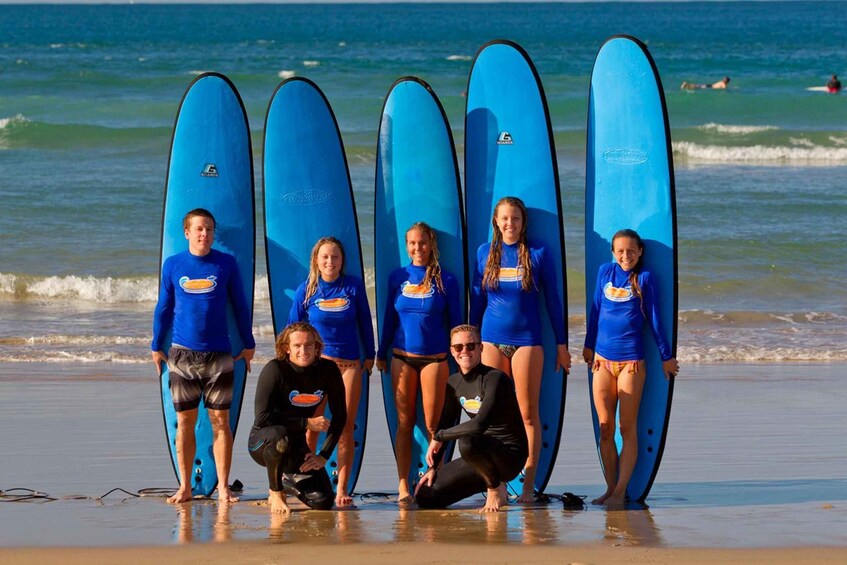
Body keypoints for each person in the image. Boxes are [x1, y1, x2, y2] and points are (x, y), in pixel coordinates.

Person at [470, 196, 571, 503]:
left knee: (527, 414)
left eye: (515, 218)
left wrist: (562, 346)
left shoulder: (539, 254)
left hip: (528, 342)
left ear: (523, 222)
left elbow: (553, 301)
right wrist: (472, 342)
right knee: (491, 415)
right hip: (490, 340)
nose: (509, 224)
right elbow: (477, 300)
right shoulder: (484, 253)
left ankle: (528, 486)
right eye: (504, 218)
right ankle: (495, 485)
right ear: (496, 222)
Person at [151, 208, 255, 504]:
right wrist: (156, 344)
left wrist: (248, 343)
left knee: (221, 422)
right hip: (182, 355)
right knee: (185, 423)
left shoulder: (226, 264)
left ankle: (223, 487)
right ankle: (185, 487)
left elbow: (239, 305)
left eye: (209, 229)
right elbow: (164, 308)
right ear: (187, 232)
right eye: (198, 229)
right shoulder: (173, 265)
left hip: (219, 355)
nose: (204, 234)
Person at [582, 229, 679, 507]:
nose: (626, 256)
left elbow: (656, 320)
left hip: (631, 363)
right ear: (613, 252)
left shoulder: (645, 279)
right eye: (621, 251)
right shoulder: (605, 272)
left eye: (631, 251)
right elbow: (596, 310)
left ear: (640, 252)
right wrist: (589, 345)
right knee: (605, 428)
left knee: (626, 428)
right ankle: (609, 487)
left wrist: (666, 356)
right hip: (601, 360)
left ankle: (620, 491)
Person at [376, 221, 462, 504]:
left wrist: (461, 358)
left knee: (433, 424)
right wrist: (380, 351)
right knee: (404, 422)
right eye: (412, 243)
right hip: (401, 357)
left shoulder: (446, 280)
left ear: (431, 245)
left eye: (422, 243)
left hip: (436, 360)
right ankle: (403, 484)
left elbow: (457, 322)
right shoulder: (397, 277)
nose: (418, 248)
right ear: (406, 246)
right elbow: (389, 317)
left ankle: (433, 477)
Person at [287, 236, 375, 507]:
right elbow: (293, 327)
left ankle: (342, 489)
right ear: (316, 260)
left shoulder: (353, 287)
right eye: (324, 257)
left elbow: (364, 323)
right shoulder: (307, 289)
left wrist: (369, 355)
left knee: (345, 427)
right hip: (317, 368)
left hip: (349, 365)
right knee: (312, 427)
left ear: (342, 260)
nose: (330, 261)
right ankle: (306, 479)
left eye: (335, 256)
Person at [415, 324, 528, 513]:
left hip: (509, 455)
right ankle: (489, 482)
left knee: (467, 440)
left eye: (471, 346)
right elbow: (446, 421)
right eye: (458, 347)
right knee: (426, 496)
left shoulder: (495, 379)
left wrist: (439, 437)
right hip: (479, 457)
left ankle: (495, 488)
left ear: (481, 348)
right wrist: (432, 468)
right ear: (452, 351)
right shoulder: (453, 383)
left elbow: (479, 424)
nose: (465, 351)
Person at [248, 322, 347, 514]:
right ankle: (275, 491)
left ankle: (288, 482)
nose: (304, 350)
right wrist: (306, 423)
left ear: (317, 347)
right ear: (286, 348)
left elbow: (340, 415)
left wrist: (323, 455)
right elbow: (262, 418)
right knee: (280, 435)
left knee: (323, 501)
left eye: (309, 345)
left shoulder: (328, 370)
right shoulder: (275, 370)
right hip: (262, 443)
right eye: (297, 345)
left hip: (295, 446)